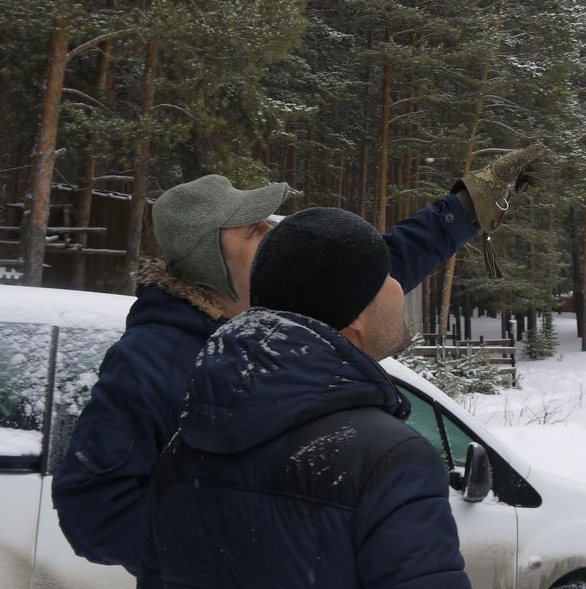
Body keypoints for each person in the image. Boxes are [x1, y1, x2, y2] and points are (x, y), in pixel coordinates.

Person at [52, 145, 547, 583]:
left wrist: (465, 208)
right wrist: (231, 542)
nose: (274, 234)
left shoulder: (292, 313)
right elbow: (92, 508)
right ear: (211, 264)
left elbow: (375, 266)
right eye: (254, 231)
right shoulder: (151, 360)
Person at [146, 206, 471, 588]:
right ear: (354, 315)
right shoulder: (388, 460)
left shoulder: (184, 445)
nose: (400, 284)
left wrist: (460, 212)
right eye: (386, 275)